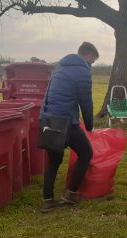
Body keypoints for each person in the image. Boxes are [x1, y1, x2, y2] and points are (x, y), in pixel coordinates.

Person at [40, 42, 99, 213]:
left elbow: (48, 94)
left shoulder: (60, 67)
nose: (92, 64)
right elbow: (86, 102)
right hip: (66, 121)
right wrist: (89, 125)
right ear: (87, 56)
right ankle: (70, 194)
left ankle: (47, 200)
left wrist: (43, 119)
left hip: (48, 119)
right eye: (92, 61)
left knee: (54, 160)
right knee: (86, 153)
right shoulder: (82, 71)